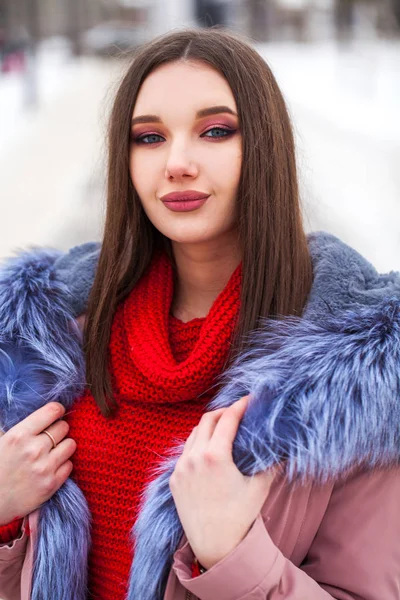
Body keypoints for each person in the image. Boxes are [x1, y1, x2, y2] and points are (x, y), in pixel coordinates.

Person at [0, 27, 399, 600]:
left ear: (263, 146)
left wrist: (235, 557)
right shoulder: (47, 339)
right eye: (149, 137)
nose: (178, 163)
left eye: (215, 131)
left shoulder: (355, 372)